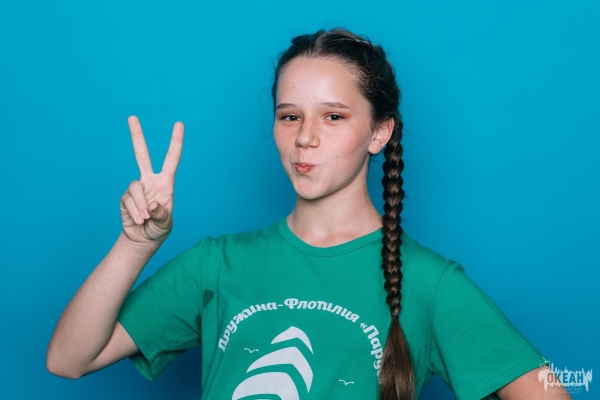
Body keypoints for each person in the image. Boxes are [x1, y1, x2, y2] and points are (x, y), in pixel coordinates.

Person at [47, 29, 571, 400]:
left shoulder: (430, 283)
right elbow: (68, 360)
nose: (305, 138)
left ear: (379, 132)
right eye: (290, 116)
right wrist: (136, 244)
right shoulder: (217, 264)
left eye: (334, 116)